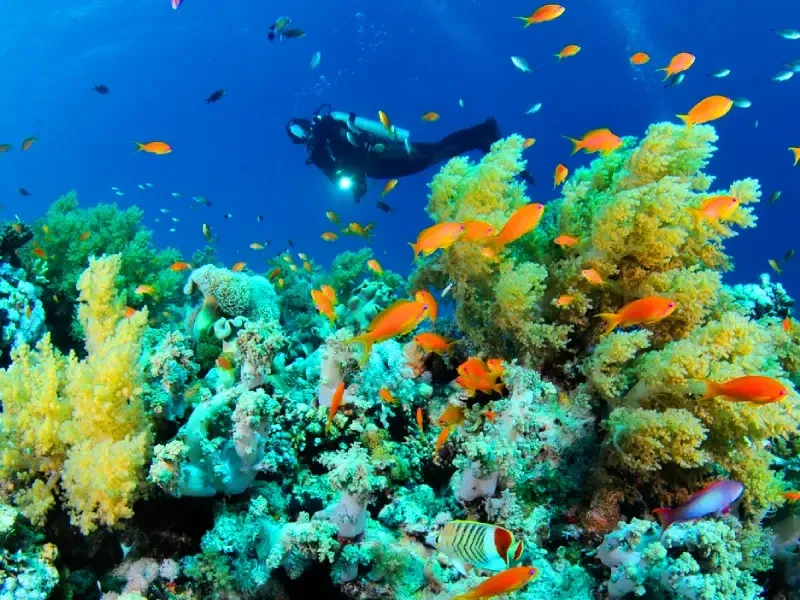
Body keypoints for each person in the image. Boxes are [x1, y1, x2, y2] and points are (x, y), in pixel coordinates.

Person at [286, 104, 535, 202]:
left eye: (302, 131)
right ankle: (483, 134)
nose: (305, 135)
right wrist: (355, 185)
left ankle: (484, 135)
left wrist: (354, 185)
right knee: (435, 153)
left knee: (435, 153)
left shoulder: (327, 129)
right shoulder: (320, 146)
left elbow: (342, 172)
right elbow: (339, 174)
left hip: (383, 158)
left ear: (308, 125)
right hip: (380, 163)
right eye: (299, 135)